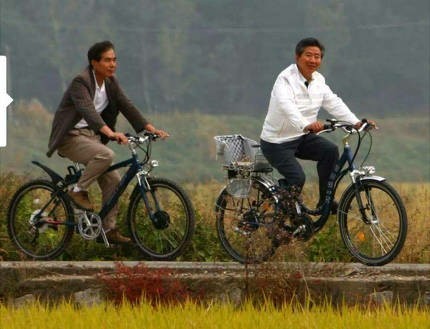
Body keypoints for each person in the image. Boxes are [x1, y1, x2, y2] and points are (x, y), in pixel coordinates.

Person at [47, 40, 169, 243]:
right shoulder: (81, 81)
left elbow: (126, 105)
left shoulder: (111, 83)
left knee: (113, 180)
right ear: (94, 63)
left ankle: (108, 230)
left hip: (92, 137)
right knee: (106, 154)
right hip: (70, 137)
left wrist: (150, 128)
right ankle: (77, 191)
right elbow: (88, 110)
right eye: (107, 60)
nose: (112, 64)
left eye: (114, 60)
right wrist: (110, 133)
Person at [260, 37, 368, 212]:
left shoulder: (318, 80)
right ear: (297, 57)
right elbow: (288, 107)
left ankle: (325, 201)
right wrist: (306, 125)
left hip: (301, 137)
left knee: (330, 151)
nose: (313, 60)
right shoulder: (285, 80)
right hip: (276, 142)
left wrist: (355, 122)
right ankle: (279, 221)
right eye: (308, 55)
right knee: (297, 178)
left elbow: (333, 102)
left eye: (317, 56)